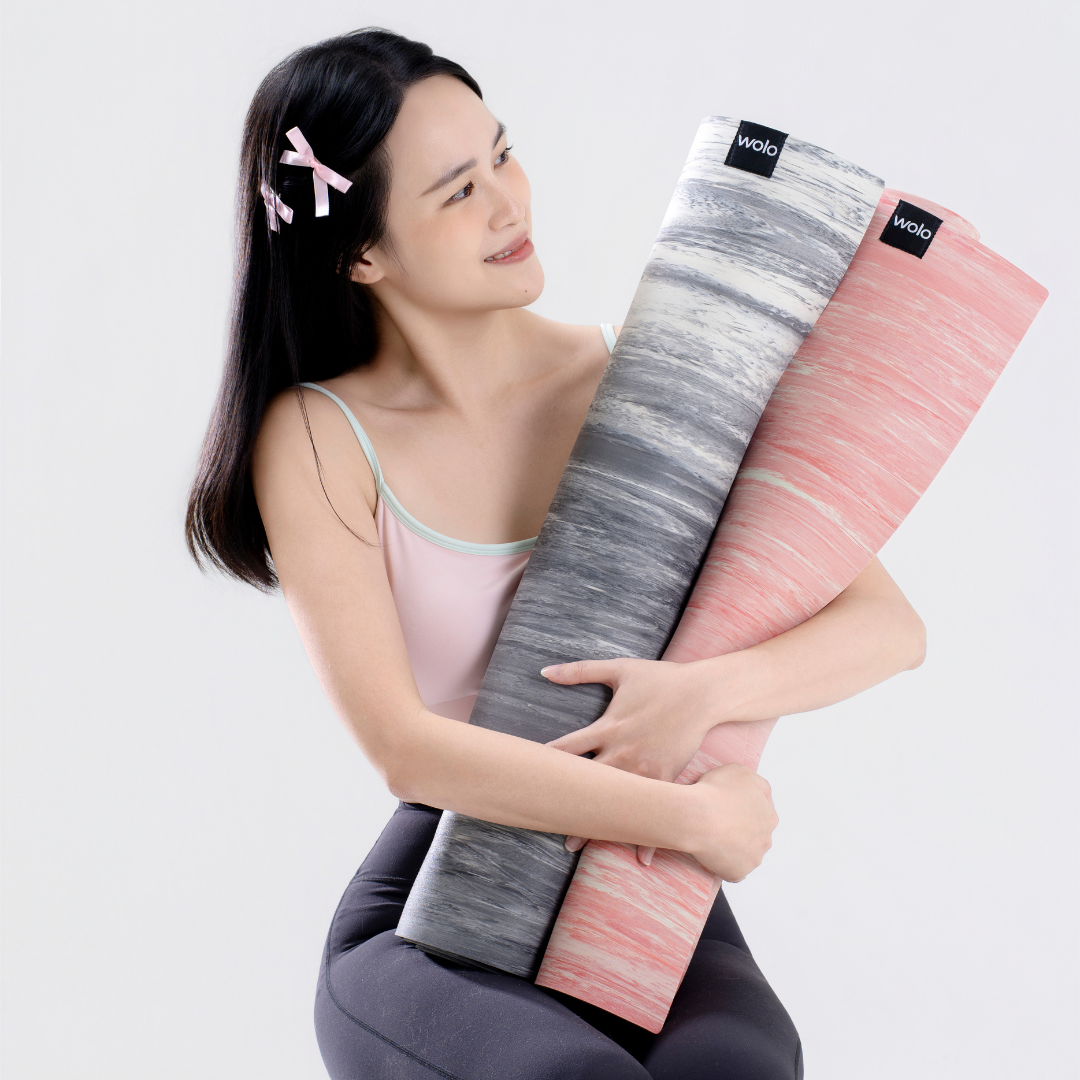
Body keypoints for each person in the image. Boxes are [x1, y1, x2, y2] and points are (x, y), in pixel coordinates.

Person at [186, 28, 926, 1080]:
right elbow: (408, 750)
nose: (509, 202)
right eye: (456, 191)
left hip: (639, 886)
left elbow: (890, 627)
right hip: (433, 908)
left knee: (744, 1068)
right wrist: (685, 813)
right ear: (361, 252)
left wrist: (697, 698)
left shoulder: (627, 379)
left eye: (503, 153)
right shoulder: (315, 436)